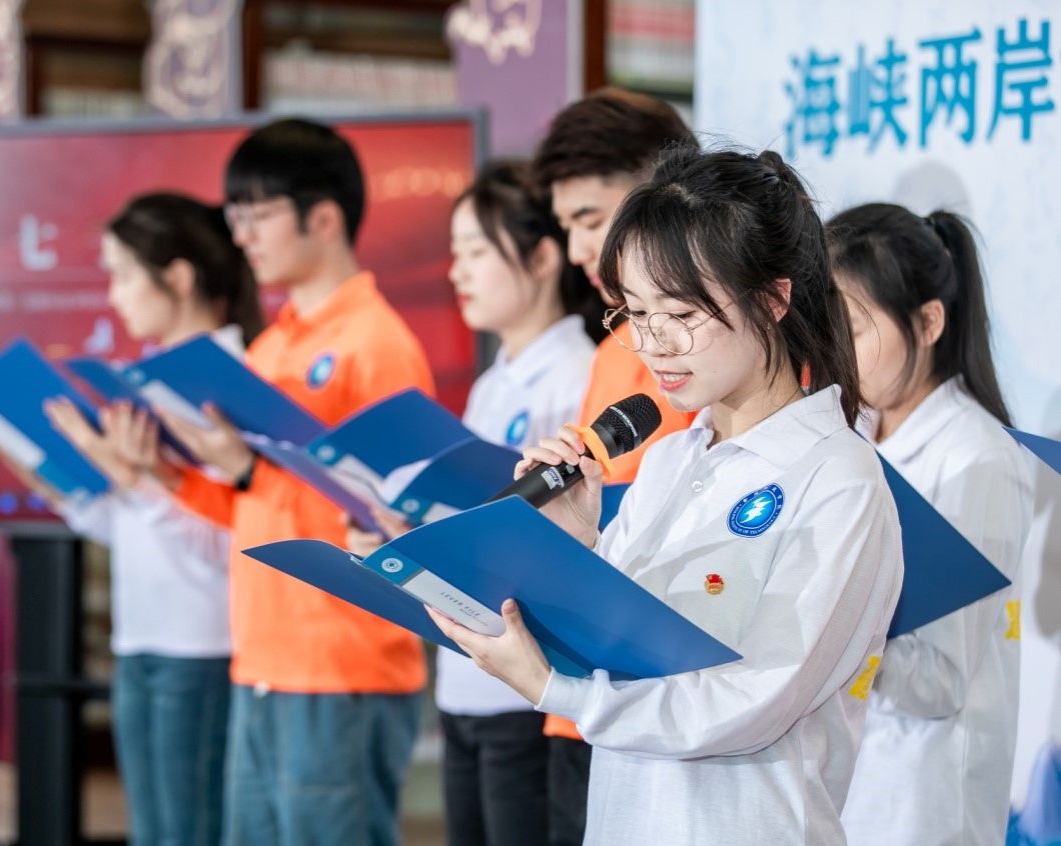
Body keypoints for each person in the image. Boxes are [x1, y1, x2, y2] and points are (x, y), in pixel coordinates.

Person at [427, 147, 904, 845]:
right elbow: (616, 647)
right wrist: (576, 544)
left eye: (680, 313)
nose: (654, 346)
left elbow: (755, 699)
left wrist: (557, 693)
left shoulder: (837, 477)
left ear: (773, 299)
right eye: (635, 313)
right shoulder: (669, 462)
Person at [108, 118, 434, 846]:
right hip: (262, 656)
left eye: (257, 215)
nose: (243, 236)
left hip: (343, 662)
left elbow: (393, 521)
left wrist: (250, 467)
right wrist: (163, 473)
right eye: (236, 217)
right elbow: (251, 506)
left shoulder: (376, 344)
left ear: (324, 218)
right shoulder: (272, 345)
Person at [351, 160, 600, 845]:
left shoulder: (578, 374)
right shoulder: (494, 383)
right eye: (453, 253)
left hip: (526, 686)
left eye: (475, 251)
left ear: (543, 257)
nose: (456, 272)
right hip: (465, 677)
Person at [4, 192, 261, 845]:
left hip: (204, 644)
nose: (114, 297)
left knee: (189, 832)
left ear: (178, 277)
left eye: (122, 276)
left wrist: (144, 482)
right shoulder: (146, 383)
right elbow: (126, 531)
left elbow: (239, 540)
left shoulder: (235, 380)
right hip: (140, 639)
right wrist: (62, 484)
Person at [830, 203, 1034, 846]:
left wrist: (836, 626)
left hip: (922, 804)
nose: (835, 353)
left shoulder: (977, 459)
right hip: (848, 787)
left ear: (929, 322)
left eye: (853, 330)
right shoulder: (853, 438)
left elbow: (940, 681)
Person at [529, 87, 700, 843]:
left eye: (591, 220)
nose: (577, 251)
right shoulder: (610, 351)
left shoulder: (716, 362)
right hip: (575, 694)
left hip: (663, 706)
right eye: (566, 226)